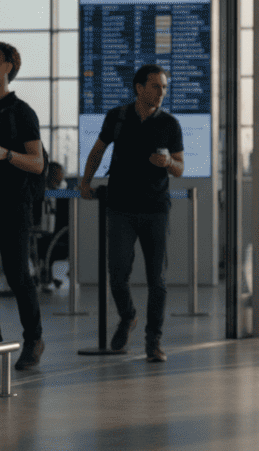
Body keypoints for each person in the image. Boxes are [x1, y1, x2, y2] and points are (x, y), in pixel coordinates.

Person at [78, 64, 185, 362]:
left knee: (157, 280)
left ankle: (154, 341)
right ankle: (128, 317)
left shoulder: (170, 124)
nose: (161, 92)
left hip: (155, 210)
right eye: (155, 86)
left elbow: (179, 168)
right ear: (139, 87)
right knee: (117, 274)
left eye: (164, 87)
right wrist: (86, 180)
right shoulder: (118, 116)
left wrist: (167, 165)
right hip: (121, 208)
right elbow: (98, 150)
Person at [0, 42, 46, 371]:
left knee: (16, 275)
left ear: (8, 67)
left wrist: (6, 154)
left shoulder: (21, 112)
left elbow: (38, 163)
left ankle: (34, 339)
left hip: (14, 205)